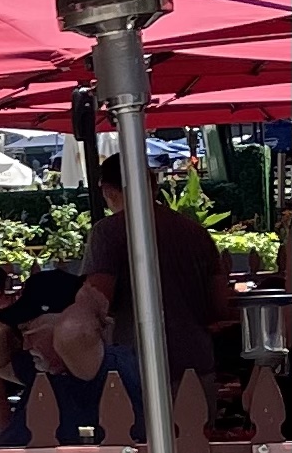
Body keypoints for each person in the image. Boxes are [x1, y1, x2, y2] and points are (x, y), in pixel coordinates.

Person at [76, 151, 232, 394]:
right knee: (196, 430)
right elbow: (220, 305)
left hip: (135, 365)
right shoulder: (196, 233)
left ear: (107, 190)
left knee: (134, 432)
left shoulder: (109, 232)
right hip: (196, 362)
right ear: (154, 185)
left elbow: (97, 302)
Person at [0, 268, 112, 442]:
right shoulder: (42, 371)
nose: (26, 345)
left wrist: (86, 304)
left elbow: (72, 331)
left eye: (29, 331)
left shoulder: (100, 370)